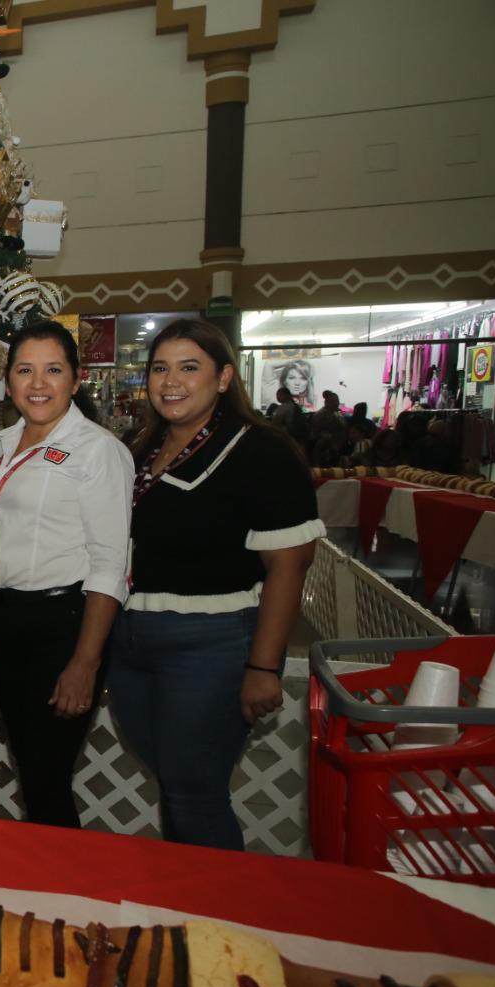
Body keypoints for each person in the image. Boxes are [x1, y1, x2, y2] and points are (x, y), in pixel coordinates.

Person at [107, 318, 323, 850]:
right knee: (179, 783)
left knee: (195, 793)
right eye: (160, 368)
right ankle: (190, 903)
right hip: (131, 640)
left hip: (211, 642)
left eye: (188, 367)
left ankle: (221, 920)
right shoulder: (140, 449)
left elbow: (289, 566)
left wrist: (263, 667)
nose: (170, 381)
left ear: (224, 377)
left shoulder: (261, 452)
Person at [0, 320, 134, 829]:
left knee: (46, 776)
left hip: (66, 625)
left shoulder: (98, 451)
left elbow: (109, 564)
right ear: (8, 382)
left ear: (75, 380)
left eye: (53, 370)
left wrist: (85, 662)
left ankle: (66, 894)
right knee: (32, 773)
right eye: (25, 370)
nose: (38, 383)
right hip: (8, 624)